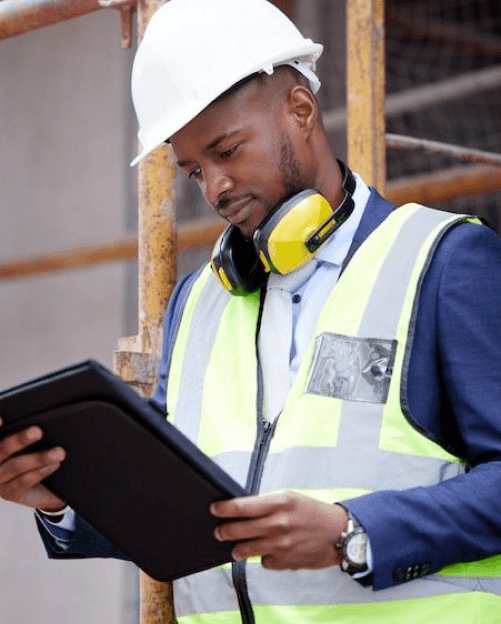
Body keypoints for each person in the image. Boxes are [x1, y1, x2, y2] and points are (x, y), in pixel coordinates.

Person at [2, 0, 501, 622]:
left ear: (300, 110)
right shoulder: (195, 303)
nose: (213, 188)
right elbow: (174, 514)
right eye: (192, 171)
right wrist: (60, 499)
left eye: (228, 150)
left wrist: (353, 531)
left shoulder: (444, 261)